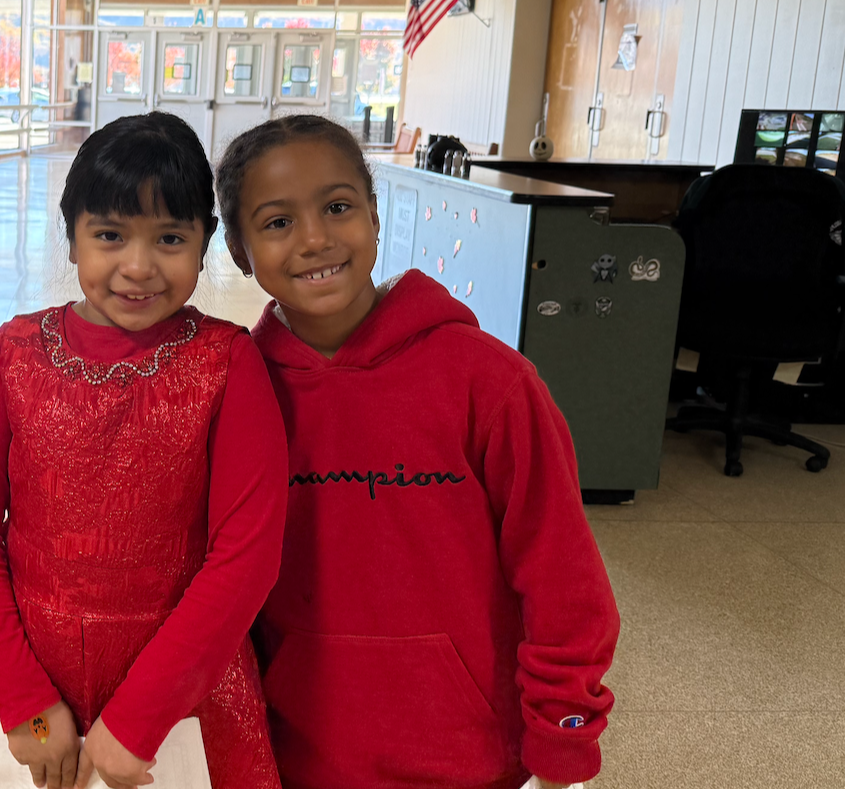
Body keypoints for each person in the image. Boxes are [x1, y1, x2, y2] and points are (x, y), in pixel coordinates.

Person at [215, 114, 620, 789]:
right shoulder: (235, 396)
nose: (315, 239)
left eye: (337, 207)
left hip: (472, 759)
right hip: (293, 756)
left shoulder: (490, 383)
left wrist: (563, 740)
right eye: (277, 222)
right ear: (238, 249)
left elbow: (563, 580)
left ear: (376, 216)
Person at [0, 112, 286, 789]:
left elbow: (246, 556)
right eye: (110, 235)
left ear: (204, 245)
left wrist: (138, 720)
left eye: (169, 238)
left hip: (183, 689)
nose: (137, 266)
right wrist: (27, 704)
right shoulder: (13, 354)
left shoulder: (229, 365)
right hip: (24, 673)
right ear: (73, 237)